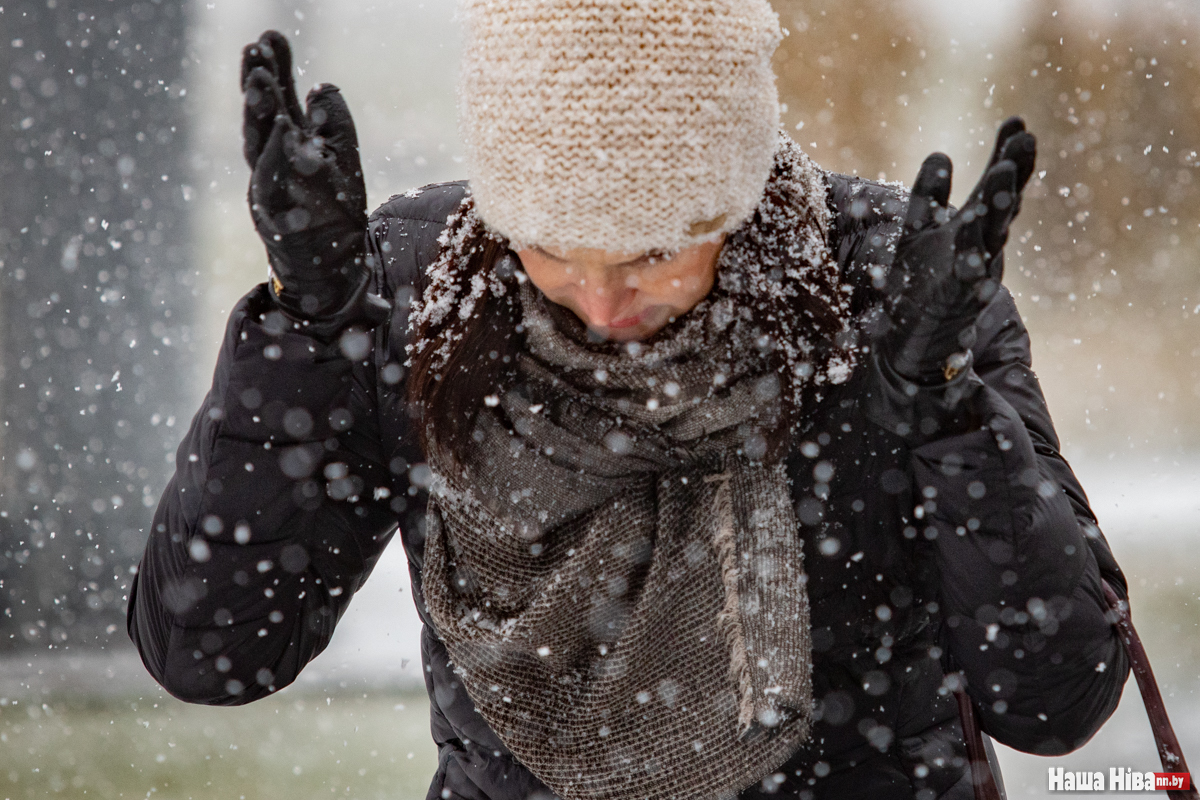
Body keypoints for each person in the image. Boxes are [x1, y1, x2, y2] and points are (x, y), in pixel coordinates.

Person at [127, 3, 1130, 798]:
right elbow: (211, 647)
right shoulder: (411, 292)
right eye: (552, 249)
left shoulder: (889, 286)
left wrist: (942, 404)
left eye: (653, 251)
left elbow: (1056, 695)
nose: (602, 301)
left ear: (730, 207)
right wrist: (309, 325)